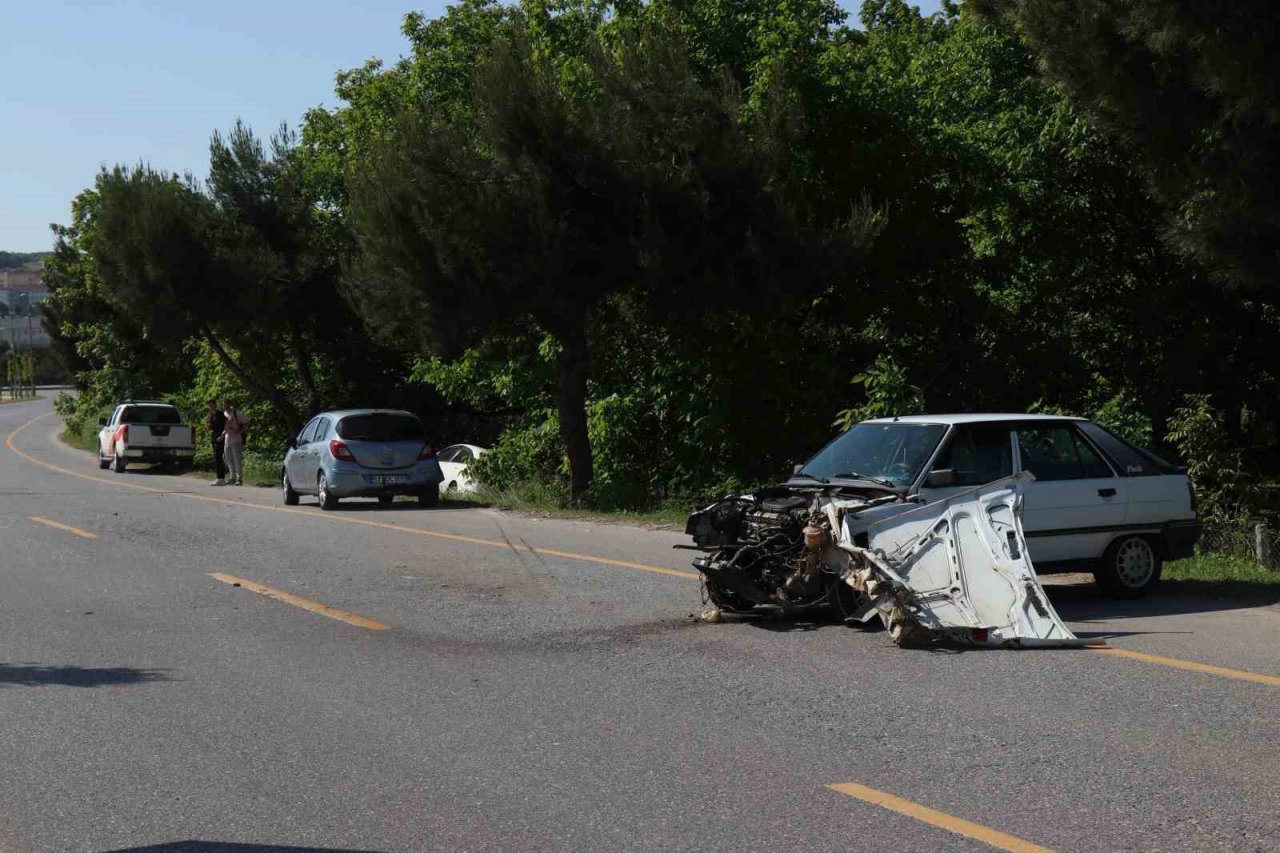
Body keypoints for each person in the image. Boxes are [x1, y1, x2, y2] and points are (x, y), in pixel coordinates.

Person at [221, 398, 251, 486]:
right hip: (227, 439)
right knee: (228, 459)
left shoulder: (236, 413)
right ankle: (232, 477)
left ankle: (239, 478)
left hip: (236, 440)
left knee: (237, 460)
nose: (224, 406)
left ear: (229, 404)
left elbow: (247, 422)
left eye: (226, 404)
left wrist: (240, 431)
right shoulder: (224, 414)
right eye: (223, 404)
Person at [205, 400, 227, 486]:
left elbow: (226, 426)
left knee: (219, 457)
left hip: (221, 438)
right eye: (209, 405)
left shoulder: (220, 414)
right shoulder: (210, 416)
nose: (211, 407)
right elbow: (209, 428)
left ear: (215, 405)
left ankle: (220, 478)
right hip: (214, 438)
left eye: (212, 405)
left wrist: (222, 436)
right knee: (217, 457)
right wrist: (207, 423)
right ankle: (220, 478)